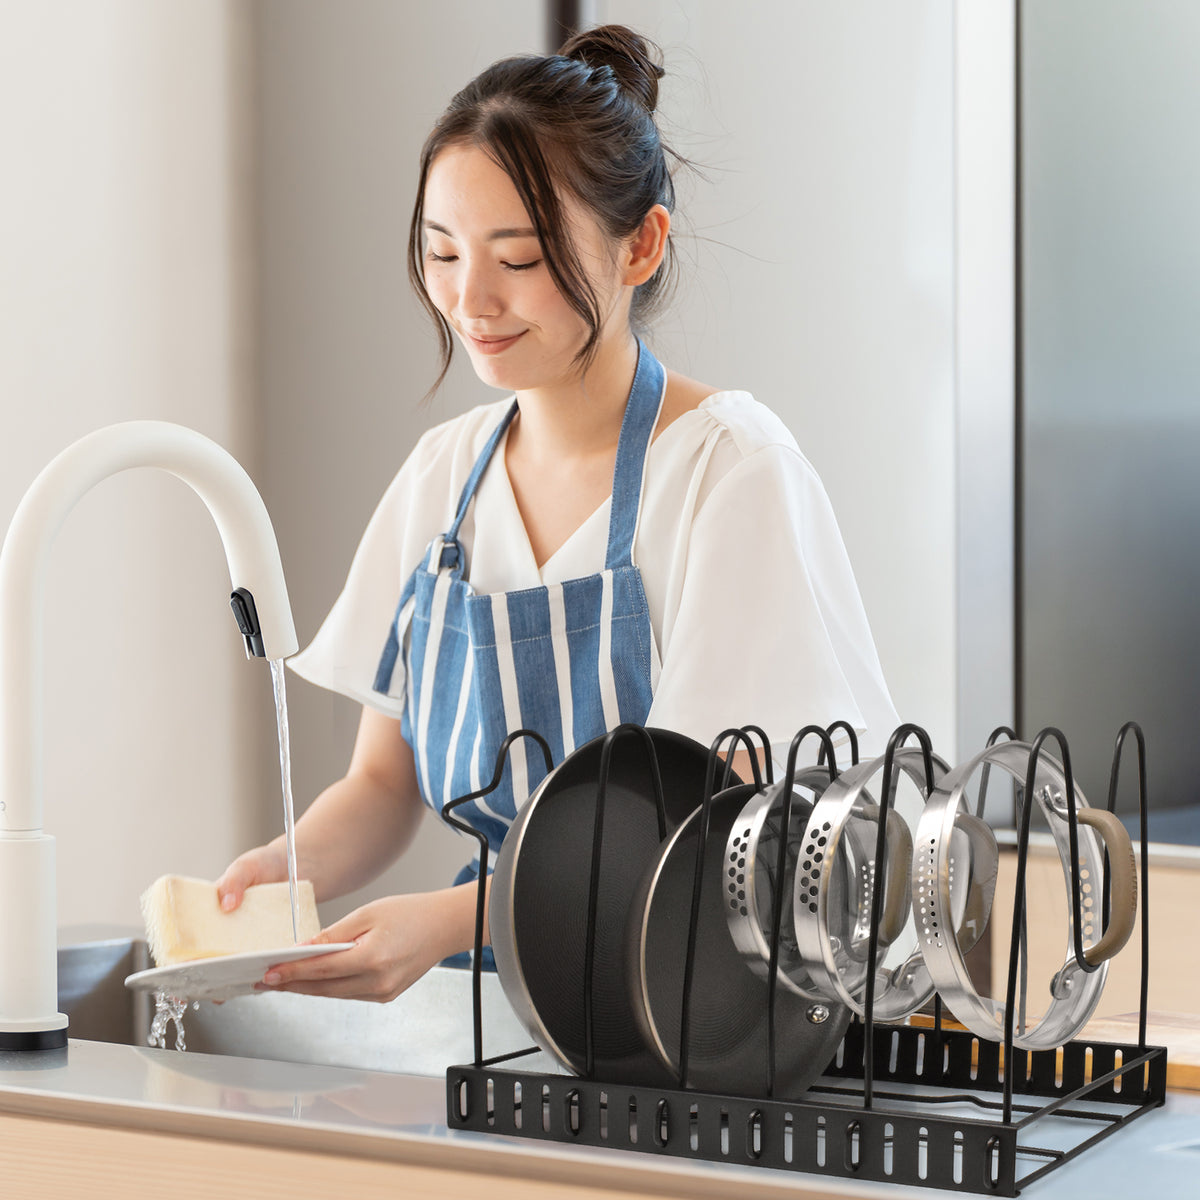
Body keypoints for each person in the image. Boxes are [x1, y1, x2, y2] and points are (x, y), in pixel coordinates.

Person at [216, 24, 898, 1002]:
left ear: (641, 246)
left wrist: (457, 919)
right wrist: (272, 880)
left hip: (695, 1010)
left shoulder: (730, 473)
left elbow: (699, 824)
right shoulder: (444, 478)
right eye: (441, 251)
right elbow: (381, 785)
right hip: (503, 1009)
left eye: (520, 258)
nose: (470, 298)